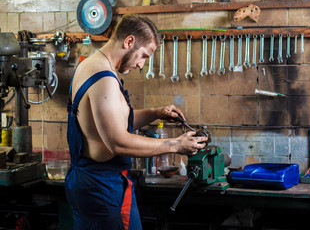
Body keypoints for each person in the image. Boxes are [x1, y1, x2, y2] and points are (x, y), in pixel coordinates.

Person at [65, 14, 207, 230]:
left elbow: (115, 120)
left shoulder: (93, 65)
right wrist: (175, 145)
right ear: (129, 42)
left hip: (93, 181)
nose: (141, 64)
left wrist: (155, 112)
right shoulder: (104, 79)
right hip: (101, 186)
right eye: (144, 56)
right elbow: (118, 142)